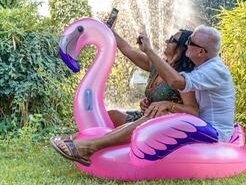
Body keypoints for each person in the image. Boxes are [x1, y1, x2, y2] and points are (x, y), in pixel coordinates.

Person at [50, 29, 199, 166]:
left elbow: (193, 111)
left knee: (150, 120)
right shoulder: (157, 66)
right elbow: (127, 49)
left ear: (181, 48)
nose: (167, 40)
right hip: (147, 115)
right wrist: (108, 30)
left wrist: (167, 104)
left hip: (161, 122)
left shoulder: (181, 77)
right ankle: (74, 139)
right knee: (112, 115)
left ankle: (88, 147)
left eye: (172, 39)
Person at [138, 25, 235, 143]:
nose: (186, 44)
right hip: (201, 126)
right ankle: (109, 140)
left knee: (159, 116)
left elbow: (176, 82)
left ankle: (108, 142)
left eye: (190, 42)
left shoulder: (213, 70)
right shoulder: (203, 67)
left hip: (214, 133)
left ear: (200, 51)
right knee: (159, 115)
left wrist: (149, 50)